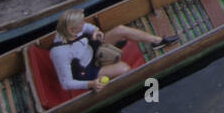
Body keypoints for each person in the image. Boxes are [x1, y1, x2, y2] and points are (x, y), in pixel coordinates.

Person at [49, 9, 177, 94]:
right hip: (87, 70)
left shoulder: (75, 28)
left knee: (121, 30)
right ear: (71, 30)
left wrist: (95, 31)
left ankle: (157, 41)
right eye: (81, 26)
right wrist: (90, 84)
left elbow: (87, 27)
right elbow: (66, 84)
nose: (84, 26)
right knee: (125, 69)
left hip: (92, 48)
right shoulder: (60, 53)